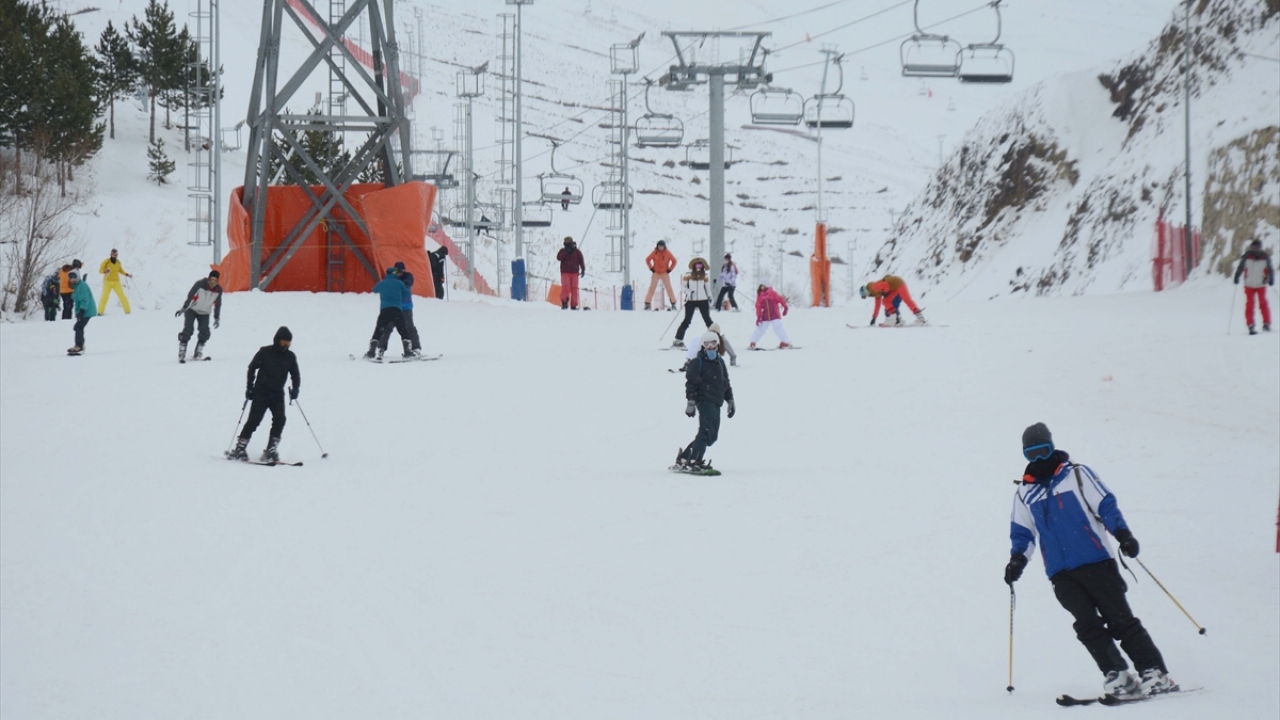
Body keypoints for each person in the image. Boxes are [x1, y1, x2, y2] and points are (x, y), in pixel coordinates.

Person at [1005, 423, 1176, 701]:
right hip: (1060, 573)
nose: (1039, 460)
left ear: (1052, 447)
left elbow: (1105, 505)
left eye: (1043, 452)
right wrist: (1017, 561)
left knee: (1119, 620)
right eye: (1032, 455)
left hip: (1096, 562)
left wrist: (1123, 534)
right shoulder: (1025, 493)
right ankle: (1117, 674)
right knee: (1086, 625)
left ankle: (1153, 671)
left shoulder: (1077, 475)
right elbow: (1022, 533)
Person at [227, 326, 300, 463]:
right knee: (254, 419)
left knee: (280, 419)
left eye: (288, 343)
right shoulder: (265, 352)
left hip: (278, 393)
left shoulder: (290, 357)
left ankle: (271, 449)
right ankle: (240, 448)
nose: (285, 346)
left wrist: (296, 389)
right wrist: (249, 387)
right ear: (277, 340)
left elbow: (295, 374)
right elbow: (252, 368)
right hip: (261, 391)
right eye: (284, 342)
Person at [675, 331, 735, 472]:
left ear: (717, 344)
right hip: (704, 400)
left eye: (713, 343)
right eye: (707, 344)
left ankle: (685, 457)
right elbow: (691, 383)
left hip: (716, 401)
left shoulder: (720, 362)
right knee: (705, 431)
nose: (710, 347)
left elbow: (725, 382)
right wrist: (691, 402)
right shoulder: (698, 362)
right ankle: (694, 459)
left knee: (712, 436)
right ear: (702, 346)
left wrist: (730, 400)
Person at [363, 267, 411, 361]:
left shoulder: (382, 283)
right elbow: (406, 294)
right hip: (396, 310)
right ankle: (408, 352)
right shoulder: (399, 283)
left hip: (385, 310)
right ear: (394, 273)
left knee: (378, 331)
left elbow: (374, 290)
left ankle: (371, 352)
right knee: (403, 330)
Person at [175, 270, 224, 362]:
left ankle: (198, 352)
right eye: (211, 279)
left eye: (215, 280)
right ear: (208, 278)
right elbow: (190, 295)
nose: (213, 282)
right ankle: (182, 351)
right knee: (188, 329)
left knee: (204, 332)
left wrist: (216, 317)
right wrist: (184, 308)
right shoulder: (200, 284)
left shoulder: (218, 290)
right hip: (192, 309)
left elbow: (218, 304)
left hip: (204, 312)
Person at [1233, 238, 1273, 335]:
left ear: (1260, 248)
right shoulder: (1246, 257)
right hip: (1249, 284)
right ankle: (1250, 324)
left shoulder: (1265, 257)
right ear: (1251, 248)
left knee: (1263, 303)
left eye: (1257, 247)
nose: (1255, 249)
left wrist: (1270, 279)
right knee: (1250, 305)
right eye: (1253, 247)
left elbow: (1269, 269)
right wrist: (1237, 276)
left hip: (1261, 284)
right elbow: (1240, 268)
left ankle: (1266, 323)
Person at [672, 257, 713, 348]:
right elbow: (682, 287)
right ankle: (678, 340)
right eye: (697, 265)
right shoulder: (688, 275)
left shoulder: (705, 275)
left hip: (703, 300)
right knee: (687, 320)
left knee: (707, 320)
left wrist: (709, 297)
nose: (698, 267)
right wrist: (688, 292)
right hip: (691, 300)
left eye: (700, 265)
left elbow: (707, 288)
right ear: (693, 266)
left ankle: (715, 337)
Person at [859, 274, 926, 326]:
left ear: (865, 292)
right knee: (885, 301)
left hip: (898, 283)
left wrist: (886, 292)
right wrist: (874, 318)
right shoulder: (875, 293)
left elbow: (886, 285)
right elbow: (877, 305)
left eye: (864, 296)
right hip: (894, 288)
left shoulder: (874, 287)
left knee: (907, 300)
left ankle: (921, 319)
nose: (866, 297)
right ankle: (895, 319)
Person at [748, 283, 792, 350]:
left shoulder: (773, 293)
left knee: (778, 328)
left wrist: (785, 306)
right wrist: (758, 317)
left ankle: (786, 342)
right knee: (761, 328)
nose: (762, 287)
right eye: (761, 286)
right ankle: (753, 342)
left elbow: (780, 299)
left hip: (774, 314)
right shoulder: (760, 296)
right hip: (765, 315)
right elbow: (758, 307)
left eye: (764, 286)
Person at [393, 262, 422, 356]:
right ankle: (379, 348)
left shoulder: (408, 277)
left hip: (406, 307)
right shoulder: (392, 278)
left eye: (400, 270)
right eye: (397, 270)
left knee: (409, 327)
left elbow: (409, 282)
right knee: (386, 328)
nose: (399, 273)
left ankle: (416, 348)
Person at [67, 271, 96, 354]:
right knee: (79, 327)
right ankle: (79, 345)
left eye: (74, 277)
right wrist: (70, 300)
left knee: (78, 327)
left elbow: (85, 300)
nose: (72, 280)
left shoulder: (82, 286)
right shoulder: (77, 286)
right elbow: (77, 296)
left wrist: (82, 311)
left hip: (87, 311)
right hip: (82, 311)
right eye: (71, 278)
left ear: (78, 277)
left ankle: (79, 346)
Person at [97, 248, 133, 315]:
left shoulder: (118, 262)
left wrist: (127, 274)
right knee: (104, 297)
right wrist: (105, 271)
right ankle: (100, 312)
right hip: (107, 282)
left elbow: (120, 270)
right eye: (113, 254)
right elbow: (100, 270)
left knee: (122, 296)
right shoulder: (106, 261)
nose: (114, 255)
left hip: (116, 282)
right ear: (111, 254)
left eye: (116, 254)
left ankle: (128, 312)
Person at [644, 239, 678, 311]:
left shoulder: (667, 253)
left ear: (664, 246)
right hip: (656, 273)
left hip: (664, 273)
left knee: (669, 288)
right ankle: (647, 304)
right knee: (652, 288)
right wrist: (651, 268)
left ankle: (673, 303)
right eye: (659, 246)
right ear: (657, 246)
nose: (661, 248)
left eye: (662, 246)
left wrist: (670, 269)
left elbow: (674, 261)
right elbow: (647, 259)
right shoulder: (655, 252)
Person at [556, 237, 586, 310]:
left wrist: (583, 269)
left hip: (575, 272)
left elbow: (581, 260)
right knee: (566, 287)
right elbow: (559, 258)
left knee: (574, 289)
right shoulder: (563, 251)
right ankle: (564, 302)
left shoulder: (577, 252)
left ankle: (573, 305)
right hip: (565, 272)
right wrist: (566, 251)